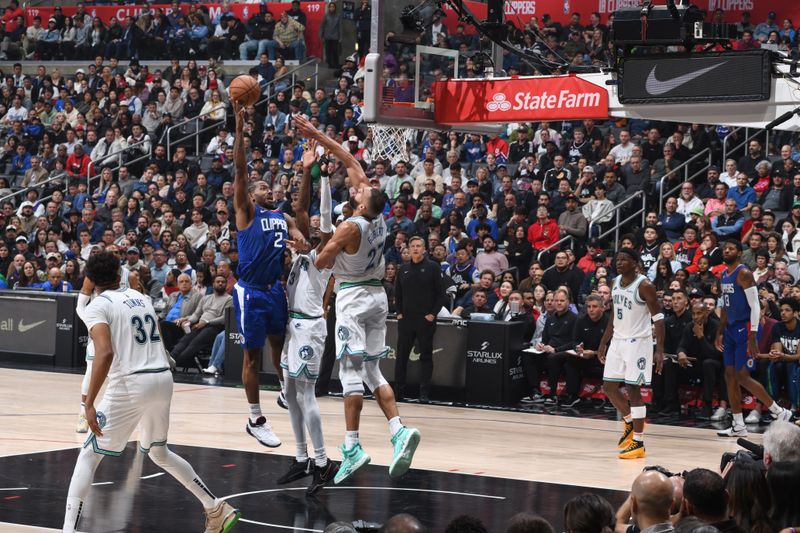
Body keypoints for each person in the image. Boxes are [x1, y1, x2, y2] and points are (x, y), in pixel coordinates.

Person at [62, 251, 239, 533]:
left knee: (88, 455)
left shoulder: (99, 305)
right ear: (119, 274)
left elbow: (104, 353)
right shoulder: (141, 298)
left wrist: (89, 403)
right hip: (162, 379)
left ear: (91, 278)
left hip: (131, 384)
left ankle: (67, 530)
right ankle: (214, 506)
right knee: (158, 452)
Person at [296, 113, 421, 485]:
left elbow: (320, 262)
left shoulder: (350, 226)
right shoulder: (377, 217)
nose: (355, 189)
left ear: (364, 204)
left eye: (358, 193)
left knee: (349, 373)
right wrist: (319, 135)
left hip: (352, 298)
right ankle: (398, 430)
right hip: (377, 297)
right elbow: (351, 163)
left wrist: (320, 239)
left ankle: (352, 446)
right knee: (371, 370)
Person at [231, 101, 307, 448]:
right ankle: (254, 418)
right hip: (250, 291)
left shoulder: (281, 215)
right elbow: (240, 170)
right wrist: (239, 127)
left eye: (268, 187)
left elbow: (297, 230)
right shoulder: (246, 211)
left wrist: (303, 238)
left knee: (282, 346)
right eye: (261, 186)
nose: (267, 188)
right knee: (252, 355)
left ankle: (283, 391)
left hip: (275, 289)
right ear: (250, 195)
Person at [275, 138, 338, 495]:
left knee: (307, 395)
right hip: (292, 325)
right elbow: (297, 210)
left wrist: (323, 178)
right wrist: (304, 172)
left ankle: (322, 460)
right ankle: (301, 458)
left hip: (310, 328)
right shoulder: (299, 249)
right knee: (290, 392)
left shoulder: (324, 255)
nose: (310, 225)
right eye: (306, 224)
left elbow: (322, 219)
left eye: (315, 226)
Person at [715, 239, 792, 437]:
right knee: (729, 376)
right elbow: (725, 306)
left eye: (731, 248)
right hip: (731, 329)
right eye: (725, 248)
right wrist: (720, 332)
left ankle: (778, 411)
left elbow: (755, 305)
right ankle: (738, 425)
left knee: (742, 375)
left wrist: (753, 334)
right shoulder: (724, 274)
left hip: (744, 328)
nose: (727, 250)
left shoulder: (744, 273)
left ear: (740, 253)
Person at [598, 248, 665, 459]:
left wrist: (659, 349)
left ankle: (638, 442)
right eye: (618, 260)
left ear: (635, 263)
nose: (619, 263)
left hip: (638, 342)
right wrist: (603, 342)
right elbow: (613, 316)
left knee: (633, 390)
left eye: (624, 260)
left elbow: (659, 318)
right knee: (608, 386)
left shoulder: (645, 285)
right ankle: (628, 420)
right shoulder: (615, 282)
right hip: (618, 340)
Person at [394, 235, 447, 403]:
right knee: (401, 357)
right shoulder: (403, 269)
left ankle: (424, 393)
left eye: (419, 246)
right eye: (413, 246)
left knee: (426, 357)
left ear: (424, 249)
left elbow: (441, 295)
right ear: (409, 249)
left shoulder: (432, 267)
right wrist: (399, 313)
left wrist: (432, 314)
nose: (415, 249)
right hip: (406, 320)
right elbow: (398, 294)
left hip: (425, 320)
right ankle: (398, 392)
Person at [170, 275, 232, 369]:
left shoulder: (229, 299)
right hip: (200, 325)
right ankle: (171, 359)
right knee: (185, 339)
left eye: (223, 282)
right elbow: (196, 315)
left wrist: (206, 322)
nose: (220, 283)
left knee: (195, 343)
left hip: (215, 327)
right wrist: (189, 321)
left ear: (226, 285)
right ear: (213, 284)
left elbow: (224, 318)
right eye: (218, 281)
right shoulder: (206, 298)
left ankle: (177, 363)